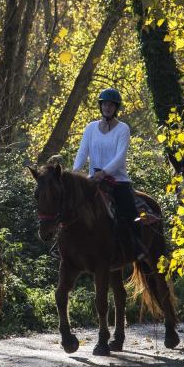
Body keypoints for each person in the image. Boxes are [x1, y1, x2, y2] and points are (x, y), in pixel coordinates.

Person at [72, 87, 147, 261]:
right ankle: (66, 245)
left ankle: (137, 246)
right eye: (105, 104)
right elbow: (82, 153)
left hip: (118, 180)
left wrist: (104, 172)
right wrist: (75, 173)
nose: (107, 107)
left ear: (116, 108)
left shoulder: (123, 129)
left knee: (128, 211)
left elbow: (120, 157)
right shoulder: (90, 128)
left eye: (111, 105)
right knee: (70, 205)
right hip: (92, 180)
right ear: (100, 106)